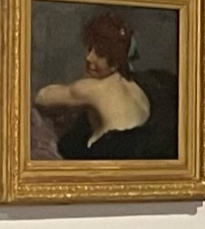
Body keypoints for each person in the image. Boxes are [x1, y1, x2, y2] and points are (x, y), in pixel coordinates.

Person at [34, 13, 179, 161]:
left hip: (115, 153)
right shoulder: (133, 83)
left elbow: (42, 97)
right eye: (90, 48)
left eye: (99, 54)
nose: (89, 58)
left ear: (115, 62)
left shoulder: (95, 88)